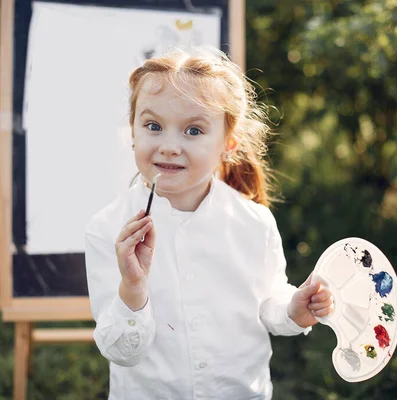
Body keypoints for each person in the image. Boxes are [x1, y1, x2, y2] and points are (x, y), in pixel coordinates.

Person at [85, 47, 334, 399]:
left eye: (193, 131)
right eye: (153, 126)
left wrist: (292, 309)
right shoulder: (107, 229)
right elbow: (121, 351)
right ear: (133, 132)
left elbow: (268, 303)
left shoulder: (253, 223)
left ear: (228, 144)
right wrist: (133, 287)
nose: (169, 146)